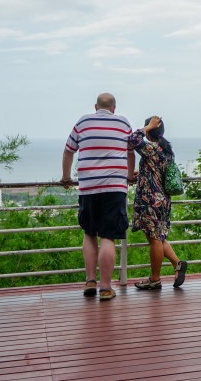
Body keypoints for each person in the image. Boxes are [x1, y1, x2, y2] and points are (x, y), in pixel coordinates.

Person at [61, 93, 134, 301]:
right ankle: (105, 288)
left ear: (95, 107)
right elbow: (130, 153)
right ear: (114, 108)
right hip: (115, 187)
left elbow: (68, 151)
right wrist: (129, 176)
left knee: (89, 233)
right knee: (108, 237)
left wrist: (66, 177)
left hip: (89, 188)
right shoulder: (123, 122)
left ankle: (90, 281)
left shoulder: (83, 121)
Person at [128, 115, 188, 290]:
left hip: (151, 201)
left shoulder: (151, 147)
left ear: (150, 131)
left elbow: (131, 141)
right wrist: (142, 174)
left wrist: (146, 127)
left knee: (154, 240)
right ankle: (178, 264)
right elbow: (156, 170)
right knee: (158, 238)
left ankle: (155, 279)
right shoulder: (165, 149)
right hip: (163, 200)